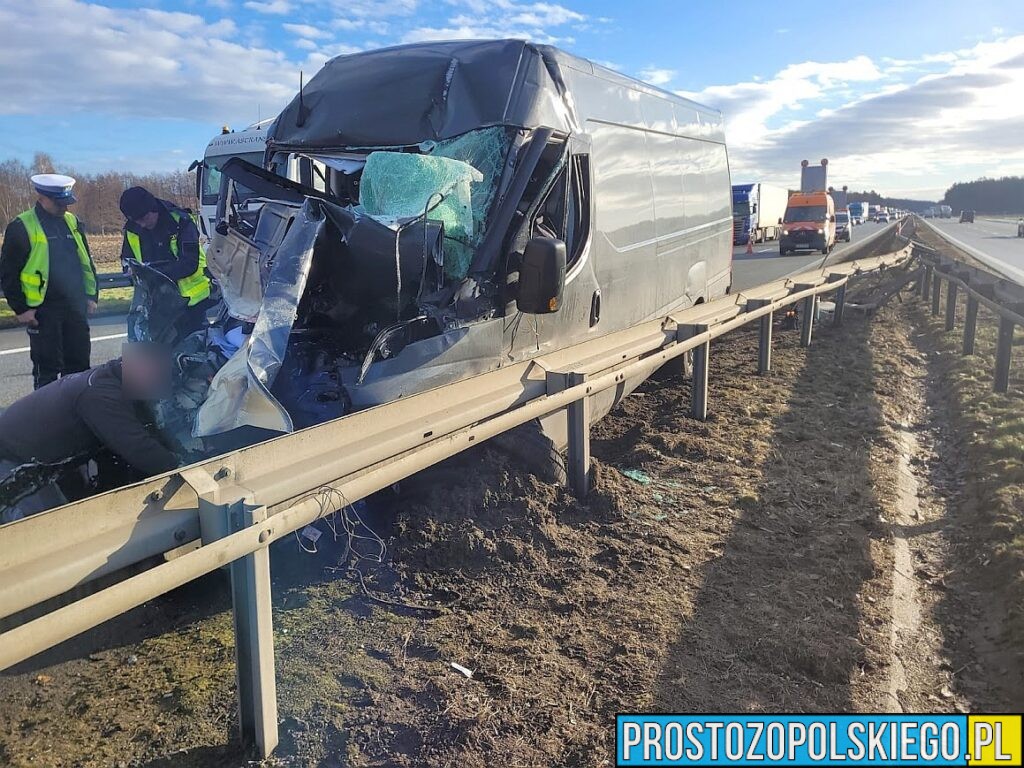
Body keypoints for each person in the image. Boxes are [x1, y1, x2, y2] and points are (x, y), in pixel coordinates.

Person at [0, 343, 179, 522]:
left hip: (43, 454)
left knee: (78, 501)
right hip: (11, 457)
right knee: (46, 526)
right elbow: (138, 447)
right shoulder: (102, 395)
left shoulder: (111, 378)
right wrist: (183, 466)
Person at [0, 174, 99, 388]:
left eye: (67, 202)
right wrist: (21, 309)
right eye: (59, 203)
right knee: (47, 369)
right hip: (43, 310)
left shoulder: (72, 221)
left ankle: (76, 415)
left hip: (75, 305)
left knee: (80, 366)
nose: (65, 207)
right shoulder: (22, 226)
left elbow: (85, 259)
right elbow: (8, 273)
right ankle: (45, 419)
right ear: (42, 197)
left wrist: (92, 295)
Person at [119, 186, 213, 338]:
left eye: (143, 219)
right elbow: (126, 259)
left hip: (191, 302)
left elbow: (190, 263)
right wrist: (130, 271)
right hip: (156, 303)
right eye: (136, 221)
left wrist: (154, 275)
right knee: (147, 350)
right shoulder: (133, 228)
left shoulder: (180, 221)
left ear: (152, 209)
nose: (141, 224)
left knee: (194, 349)